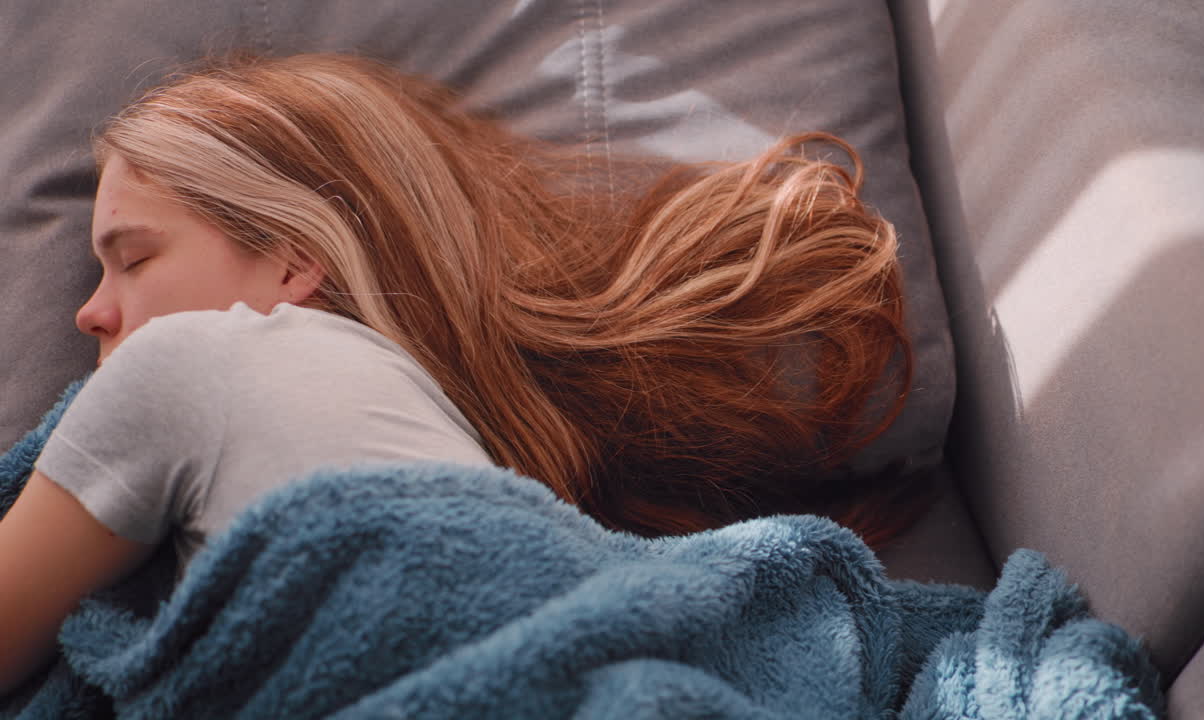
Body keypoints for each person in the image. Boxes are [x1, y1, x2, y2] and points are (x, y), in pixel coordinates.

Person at [0, 52, 918, 691]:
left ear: (290, 257)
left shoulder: (189, 362)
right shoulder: (447, 430)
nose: (92, 310)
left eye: (134, 256)